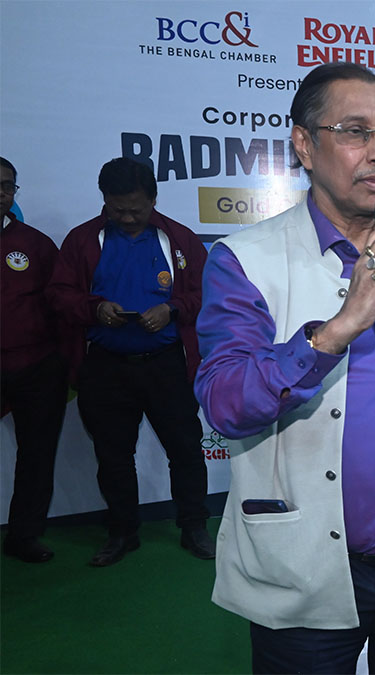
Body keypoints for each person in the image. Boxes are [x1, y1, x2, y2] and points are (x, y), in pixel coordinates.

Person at [193, 62, 375, 674]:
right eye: (355, 132)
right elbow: (224, 403)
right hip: (308, 565)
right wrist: (333, 332)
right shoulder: (244, 261)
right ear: (304, 144)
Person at [47, 157, 212, 567]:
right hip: (105, 367)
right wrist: (95, 308)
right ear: (104, 200)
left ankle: (194, 527)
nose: (126, 216)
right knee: (113, 456)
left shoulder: (180, 240)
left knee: (187, 451)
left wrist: (172, 309)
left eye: (136, 208)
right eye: (116, 208)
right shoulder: (82, 240)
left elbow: (208, 294)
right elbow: (57, 295)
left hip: (167, 364)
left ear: (153, 199)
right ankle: (122, 533)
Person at [1, 157, 67, 563]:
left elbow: (59, 304)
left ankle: (25, 535)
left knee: (37, 455)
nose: (1, 193)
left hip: (35, 367)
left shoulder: (36, 245)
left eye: (8, 185)